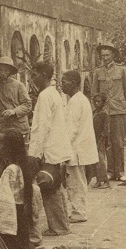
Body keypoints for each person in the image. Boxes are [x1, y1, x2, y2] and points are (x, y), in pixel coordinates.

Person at [28, 61, 72, 237]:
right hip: (56, 147)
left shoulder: (46, 95)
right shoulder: (53, 93)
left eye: (35, 75)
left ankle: (59, 227)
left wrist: (34, 154)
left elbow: (42, 126)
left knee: (49, 187)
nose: (33, 78)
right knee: (56, 187)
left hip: (50, 149)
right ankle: (62, 225)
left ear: (44, 76)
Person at [91, 44, 126, 181]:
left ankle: (120, 172)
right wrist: (97, 111)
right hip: (104, 113)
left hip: (118, 110)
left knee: (119, 142)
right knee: (106, 143)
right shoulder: (98, 72)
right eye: (102, 55)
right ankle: (110, 171)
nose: (105, 58)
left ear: (113, 55)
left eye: (107, 55)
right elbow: (94, 93)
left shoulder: (122, 70)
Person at [61, 71, 98, 224]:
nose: (62, 85)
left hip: (76, 148)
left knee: (75, 182)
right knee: (77, 181)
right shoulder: (79, 99)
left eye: (65, 82)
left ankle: (79, 211)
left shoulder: (76, 101)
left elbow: (71, 129)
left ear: (74, 83)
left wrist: (63, 150)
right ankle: (78, 210)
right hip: (79, 147)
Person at [91, 94, 111, 189]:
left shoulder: (104, 113)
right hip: (94, 138)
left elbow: (106, 129)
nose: (96, 103)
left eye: (99, 101)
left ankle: (106, 181)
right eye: (95, 101)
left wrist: (101, 139)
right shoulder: (95, 112)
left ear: (103, 103)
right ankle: (99, 180)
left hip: (101, 139)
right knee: (96, 160)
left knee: (101, 160)